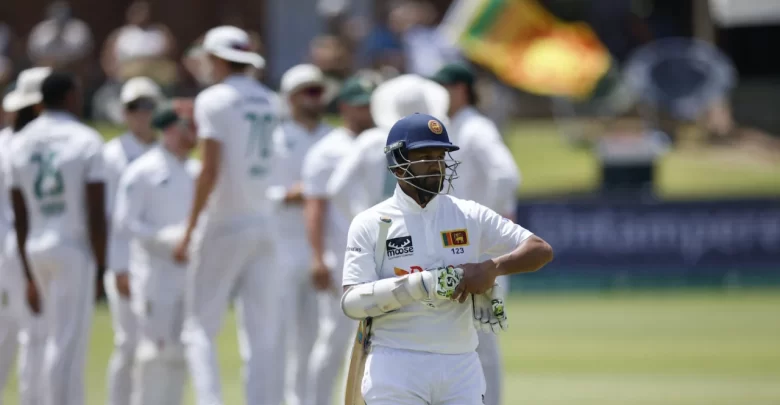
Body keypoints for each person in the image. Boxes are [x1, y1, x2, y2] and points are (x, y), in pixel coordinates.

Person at [340, 113, 553, 404]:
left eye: (441, 156)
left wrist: (491, 268)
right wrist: (424, 284)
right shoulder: (371, 223)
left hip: (460, 364)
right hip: (395, 363)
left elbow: (540, 249)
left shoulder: (468, 214)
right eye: (425, 156)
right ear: (398, 163)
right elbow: (352, 302)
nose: (437, 165)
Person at [172, 26, 283, 405]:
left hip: (226, 222)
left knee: (199, 327)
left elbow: (209, 169)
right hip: (264, 221)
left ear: (217, 59)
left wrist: (188, 230)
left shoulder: (213, 99)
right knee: (261, 331)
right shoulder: (270, 99)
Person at [7, 71, 107, 405]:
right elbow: (94, 210)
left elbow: (19, 214)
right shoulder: (86, 139)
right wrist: (101, 263)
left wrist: (26, 271)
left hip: (35, 246)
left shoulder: (19, 143)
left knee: (45, 339)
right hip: (72, 246)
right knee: (67, 345)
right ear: (68, 97)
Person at [431, 62, 520, 405]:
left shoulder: (476, 127)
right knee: (464, 338)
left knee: (482, 339)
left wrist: (488, 226)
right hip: (462, 248)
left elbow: (507, 175)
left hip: (481, 252)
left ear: (460, 89)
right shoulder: (454, 127)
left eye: (443, 87)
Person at [112, 103, 199, 405]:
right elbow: (126, 223)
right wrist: (169, 241)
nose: (196, 134)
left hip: (188, 274)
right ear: (172, 130)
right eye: (189, 127)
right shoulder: (143, 171)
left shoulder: (195, 169)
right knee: (153, 352)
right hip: (155, 275)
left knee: (181, 351)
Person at [301, 74, 378, 405]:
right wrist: (318, 257)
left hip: (376, 258)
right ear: (345, 107)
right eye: (361, 105)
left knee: (371, 341)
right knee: (333, 338)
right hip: (339, 255)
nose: (367, 111)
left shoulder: (379, 143)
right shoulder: (327, 151)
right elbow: (315, 207)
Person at [266, 63, 331, 405]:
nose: (315, 98)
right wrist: (295, 194)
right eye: (308, 91)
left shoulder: (332, 139)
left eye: (318, 90)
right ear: (290, 98)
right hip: (284, 246)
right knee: (285, 336)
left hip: (324, 245)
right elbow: (264, 192)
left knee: (322, 335)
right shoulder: (275, 140)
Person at [103, 76, 163, 405]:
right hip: (125, 259)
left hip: (158, 264)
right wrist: (118, 267)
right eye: (133, 107)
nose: (141, 114)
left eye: (147, 106)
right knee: (126, 344)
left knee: (158, 345)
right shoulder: (111, 155)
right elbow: (112, 219)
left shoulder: (164, 150)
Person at [326, 74, 449, 220]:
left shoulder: (370, 140)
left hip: (383, 226)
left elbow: (337, 188)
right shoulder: (437, 144)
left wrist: (363, 219)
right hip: (425, 221)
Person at [0, 67, 51, 405]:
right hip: (25, 249)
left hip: (13, 250)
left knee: (12, 335)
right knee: (34, 336)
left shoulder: (6, 142)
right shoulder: (33, 145)